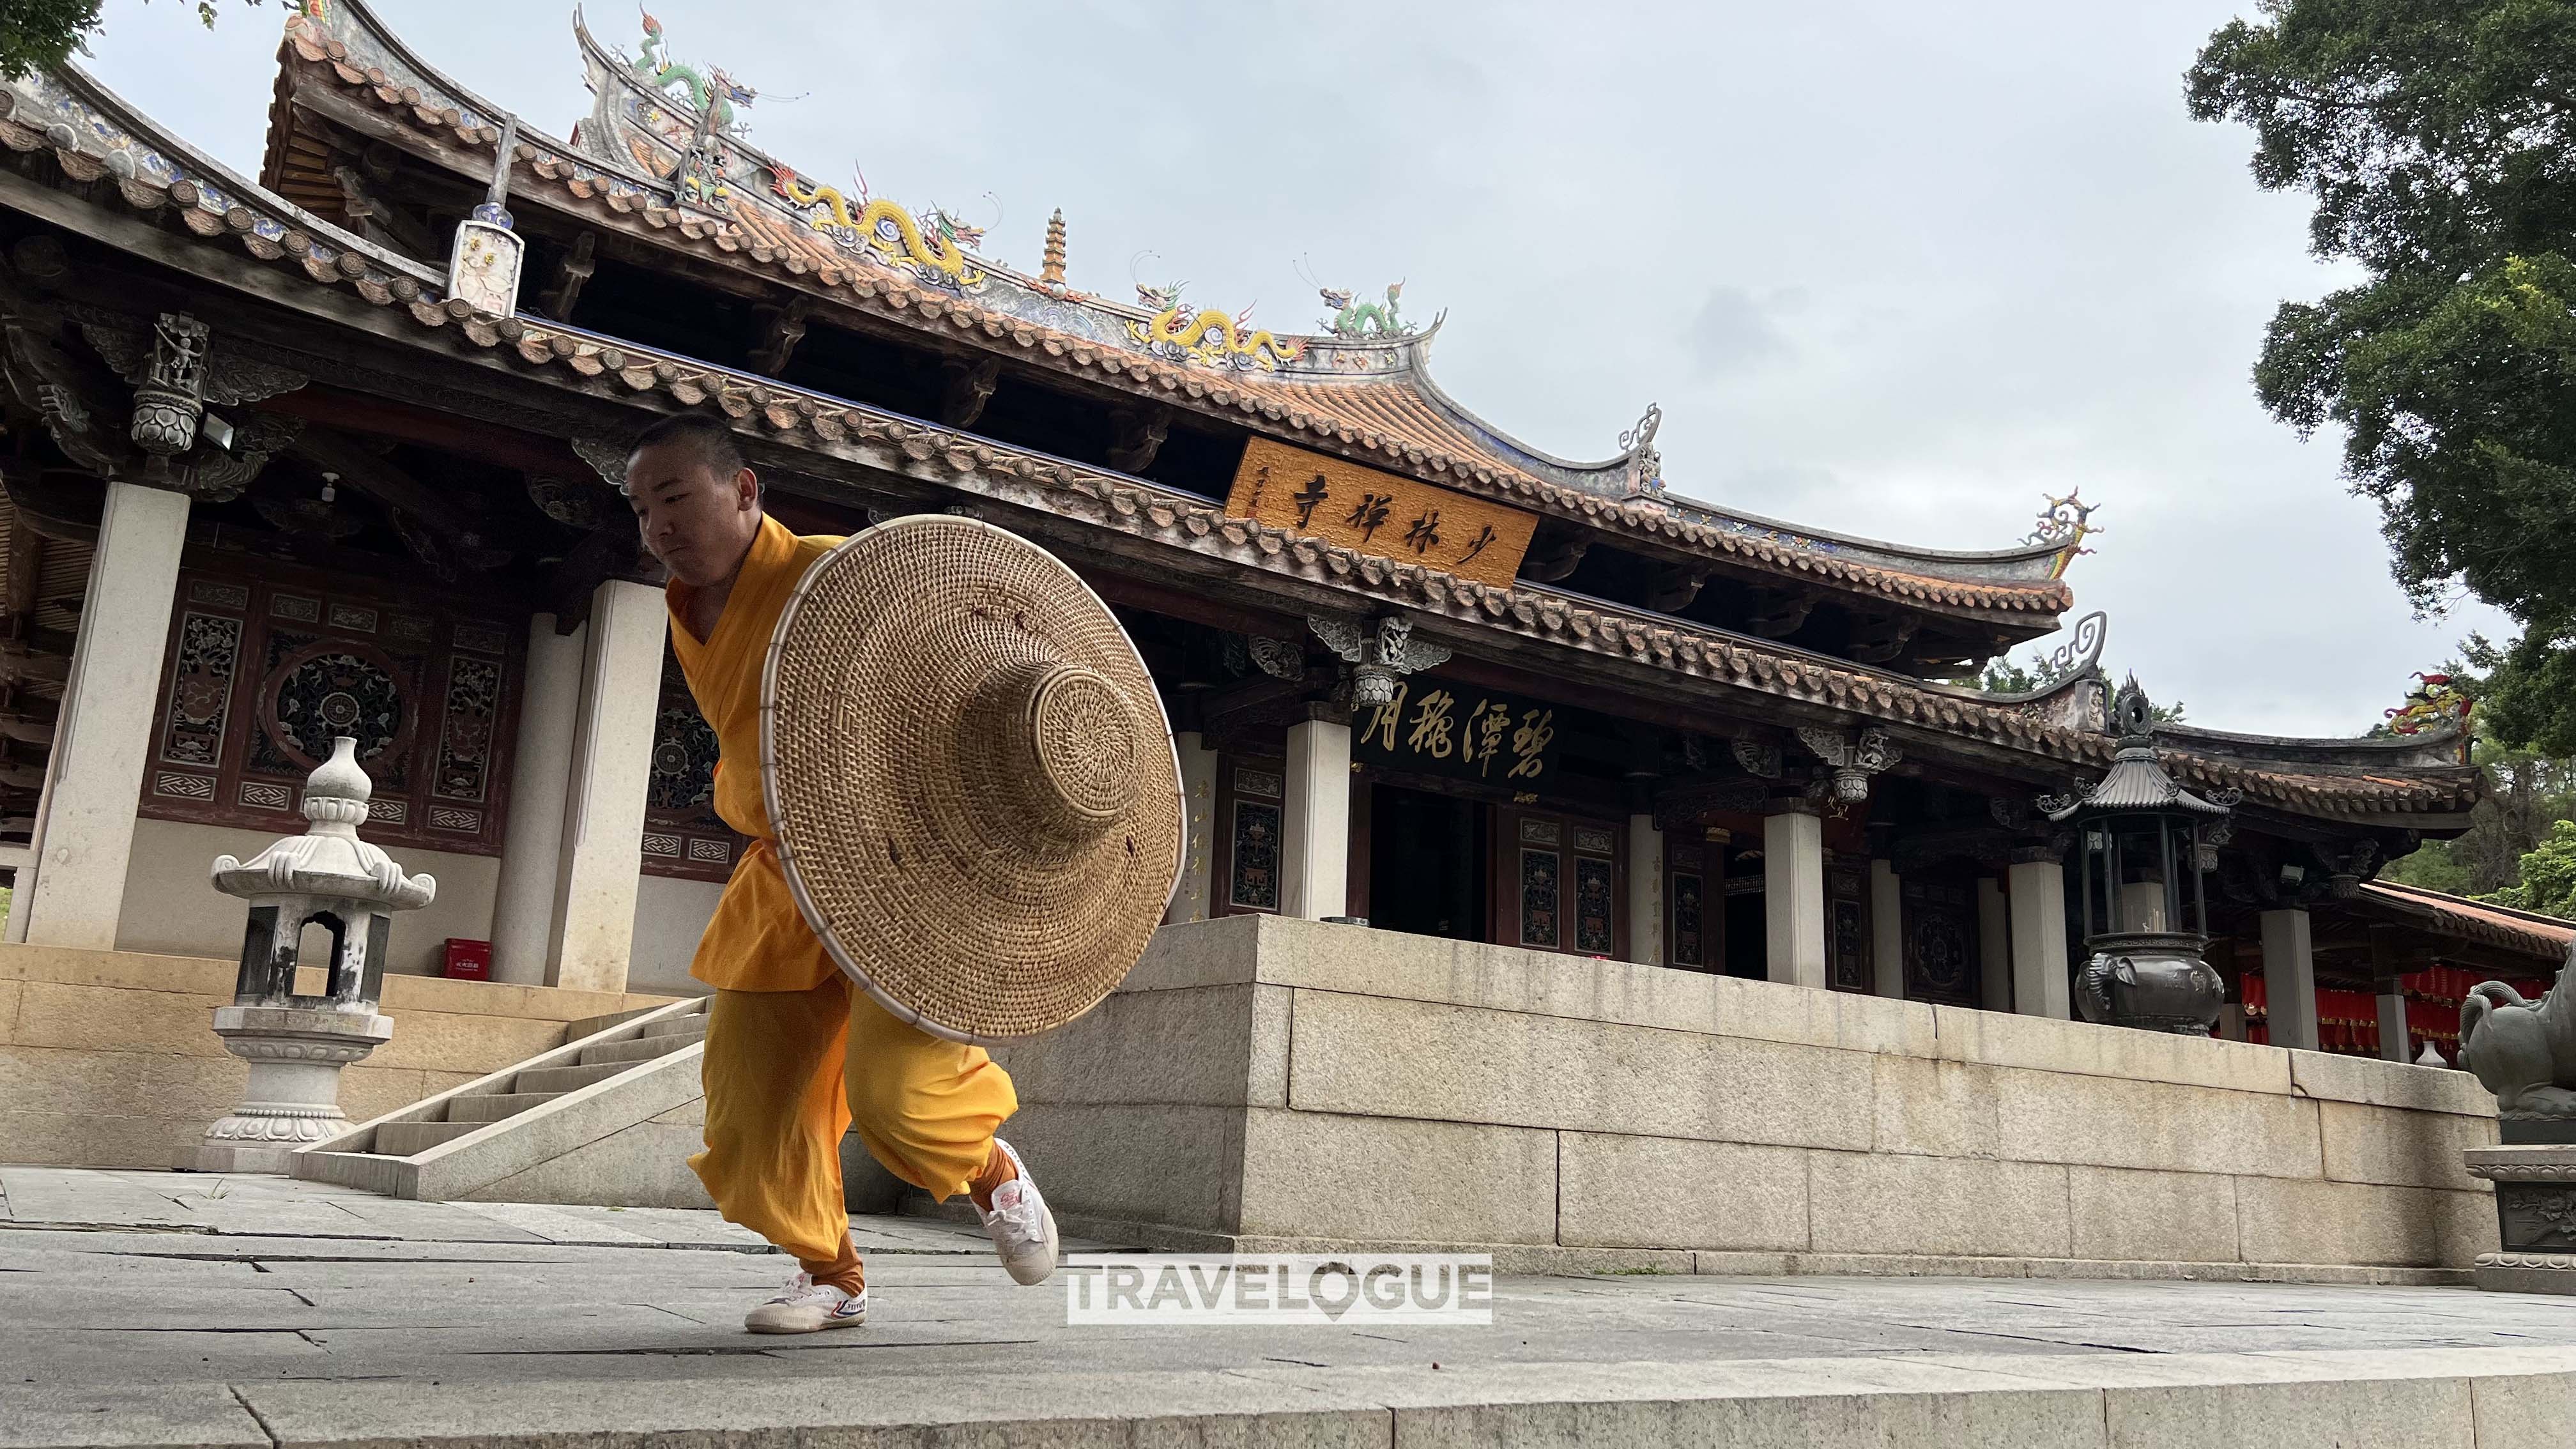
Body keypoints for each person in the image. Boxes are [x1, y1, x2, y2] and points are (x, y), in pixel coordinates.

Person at [625, 410, 1057, 1335]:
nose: (657, 526)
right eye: (640, 510)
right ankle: (833, 1276)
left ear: (744, 490)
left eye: (673, 498)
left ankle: (994, 1175)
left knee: (901, 1100)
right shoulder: (682, 609)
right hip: (784, 875)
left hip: (893, 866)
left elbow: (957, 673)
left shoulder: (836, 571)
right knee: (749, 1106)